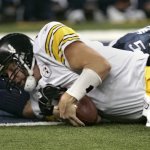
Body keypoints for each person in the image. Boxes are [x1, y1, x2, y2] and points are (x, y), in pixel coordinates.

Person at [0, 21, 150, 127]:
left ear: (23, 56)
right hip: (140, 113)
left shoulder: (47, 40)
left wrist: (70, 95)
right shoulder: (40, 93)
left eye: (11, 68)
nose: (11, 76)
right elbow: (92, 117)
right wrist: (56, 111)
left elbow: (100, 66)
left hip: (145, 75)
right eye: (6, 75)